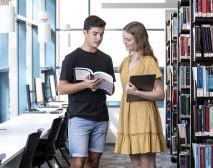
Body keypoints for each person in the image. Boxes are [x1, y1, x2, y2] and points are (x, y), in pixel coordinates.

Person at [59, 15, 115, 168]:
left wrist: (104, 85)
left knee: (94, 160)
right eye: (95, 34)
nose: (99, 38)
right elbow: (62, 88)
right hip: (79, 117)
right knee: (78, 161)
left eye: (102, 34)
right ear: (85, 32)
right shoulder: (71, 58)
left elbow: (112, 90)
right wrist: (84, 85)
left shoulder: (106, 59)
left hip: (101, 117)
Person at [115, 21, 167, 168]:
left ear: (139, 39)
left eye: (128, 40)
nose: (125, 43)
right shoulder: (124, 62)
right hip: (128, 114)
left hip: (144, 115)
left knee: (147, 164)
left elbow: (160, 94)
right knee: (136, 164)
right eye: (123, 39)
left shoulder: (149, 61)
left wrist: (137, 92)